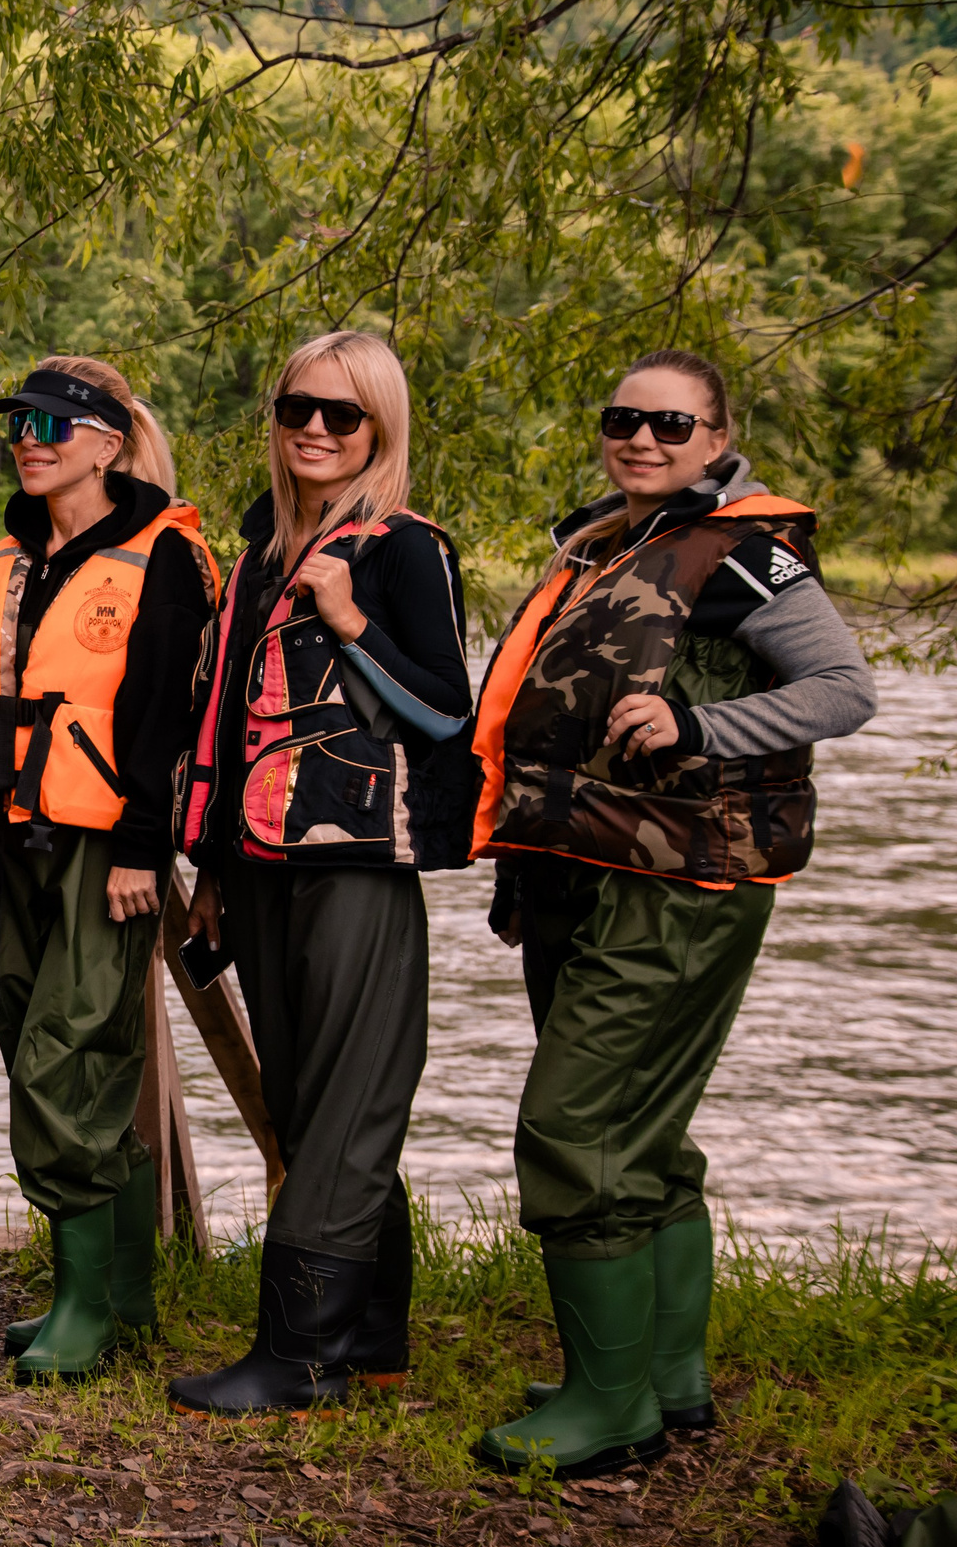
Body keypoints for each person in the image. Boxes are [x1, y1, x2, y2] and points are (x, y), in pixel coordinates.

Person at [471, 350, 875, 1477]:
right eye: (622, 420)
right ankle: (662, 1379)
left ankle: (609, 1412)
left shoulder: (746, 555)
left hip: (676, 882)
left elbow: (843, 691)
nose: (642, 440)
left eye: (670, 425)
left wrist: (699, 729)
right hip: (585, 871)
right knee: (637, 1137)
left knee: (575, 1130)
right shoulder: (609, 542)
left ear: (714, 438)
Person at [169, 330, 472, 1416]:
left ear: (377, 428)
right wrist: (204, 867)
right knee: (304, 1107)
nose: (313, 429)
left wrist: (349, 622)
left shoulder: (401, 550)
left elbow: (445, 711)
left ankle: (293, 1357)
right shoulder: (253, 560)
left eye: (341, 414)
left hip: (355, 868)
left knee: (347, 1107)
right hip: (252, 869)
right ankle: (371, 1346)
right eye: (298, 406)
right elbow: (226, 730)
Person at [0, 356, 218, 1383]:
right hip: (11, 837)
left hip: (101, 847)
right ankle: (121, 1295)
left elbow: (170, 715)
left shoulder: (163, 556)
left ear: (107, 442)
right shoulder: (7, 562)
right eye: (18, 422)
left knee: (72, 1053)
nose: (29, 438)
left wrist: (141, 847)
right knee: (28, 1030)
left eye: (52, 424)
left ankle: (81, 1307)